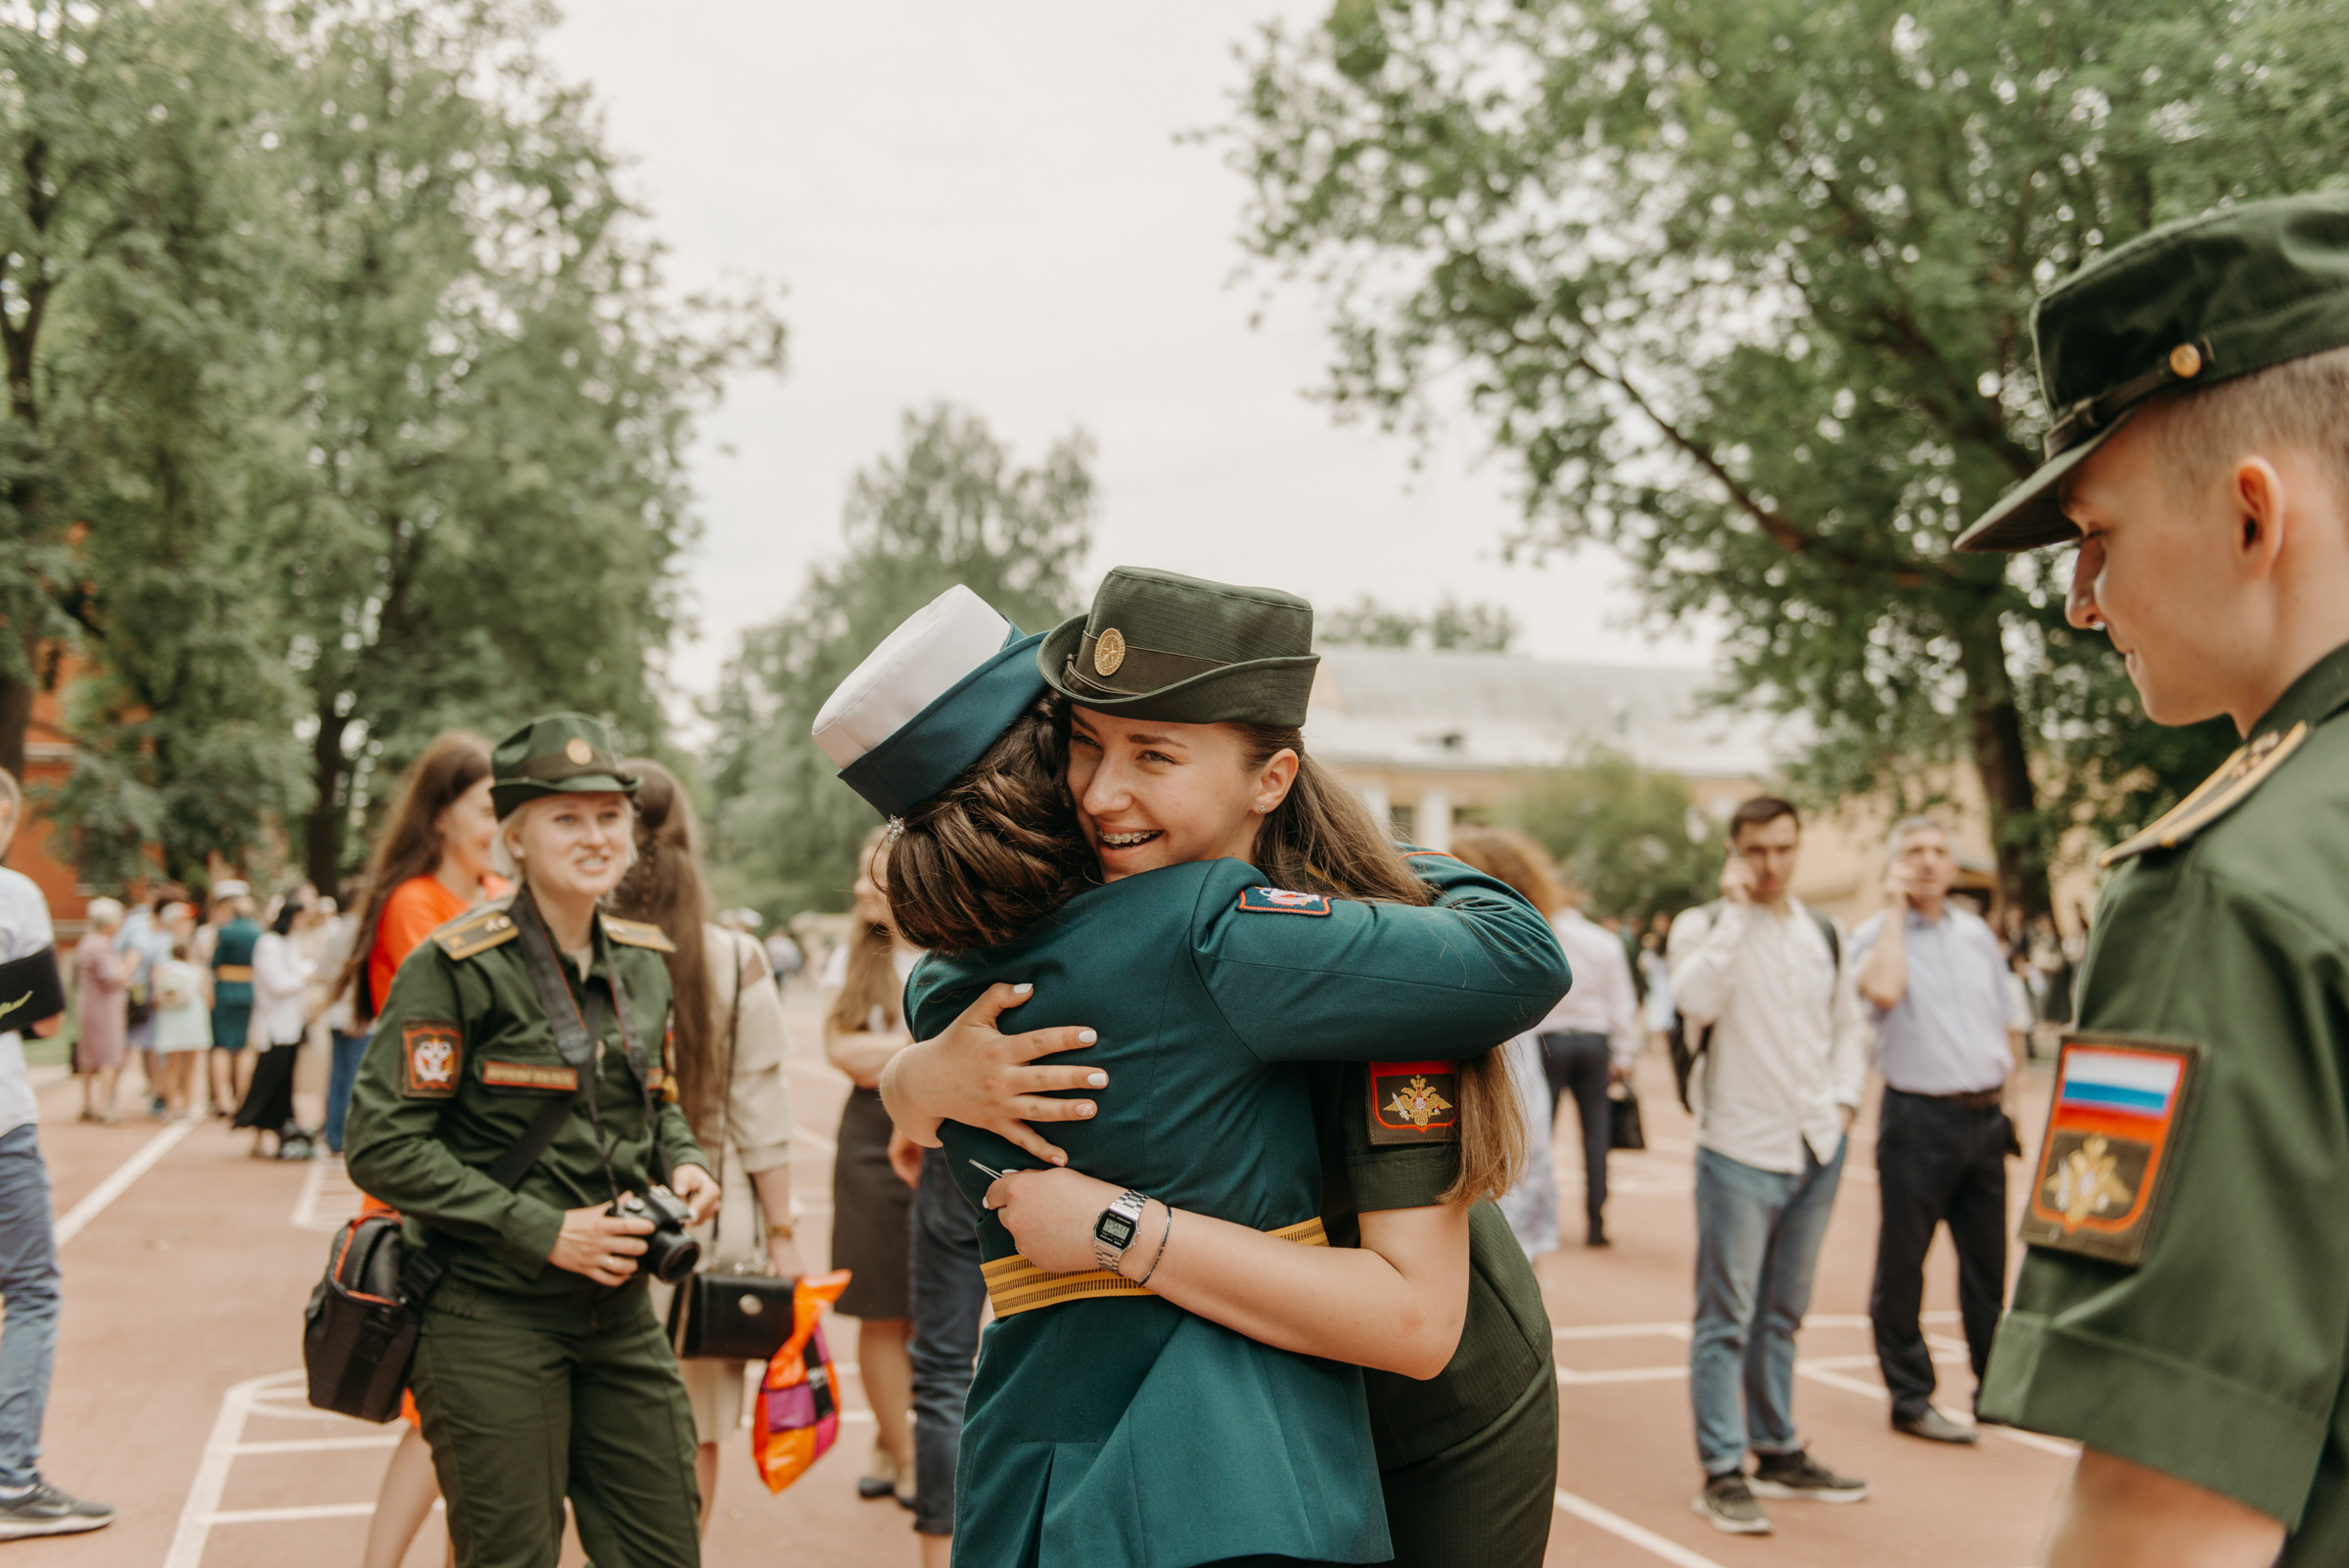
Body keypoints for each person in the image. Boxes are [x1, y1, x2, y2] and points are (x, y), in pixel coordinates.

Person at [849, 575, 1569, 1568]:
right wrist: (913, 1081)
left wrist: (1109, 1223)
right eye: (1081, 746)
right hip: (1265, 1400)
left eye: (1155, 755)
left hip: (1432, 1411)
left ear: (1270, 780)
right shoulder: (1074, 938)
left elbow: (1414, 1320)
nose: (1100, 795)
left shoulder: (1363, 955)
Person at [1954, 193, 2349, 1568]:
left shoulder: (2232, 890)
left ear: (2254, 513)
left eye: (2095, 533)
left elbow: (2164, 1520)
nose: (2081, 600)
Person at [345, 713, 717, 1568]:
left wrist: (687, 1162)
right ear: (513, 835)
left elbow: (653, 1100)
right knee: (510, 1554)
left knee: (665, 1546)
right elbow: (380, 1144)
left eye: (609, 816)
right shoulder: (454, 965)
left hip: (619, 1308)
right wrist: (542, 1229)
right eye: (566, 818)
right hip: (489, 1312)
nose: (595, 837)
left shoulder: (642, 962)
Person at [325, 731, 508, 1568]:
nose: (505, 820)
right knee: (442, 1413)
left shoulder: (496, 891)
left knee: (474, 1418)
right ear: (442, 815)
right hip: (433, 1183)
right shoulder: (419, 906)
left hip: (493, 1175)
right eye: (487, 805)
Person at [607, 759, 803, 1533]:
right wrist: (784, 1235)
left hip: (594, 1224)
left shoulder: (580, 948)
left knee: (584, 1427)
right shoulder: (735, 957)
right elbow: (762, 1110)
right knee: (697, 1430)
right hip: (708, 1233)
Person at [1667, 796, 1869, 1536]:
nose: (1772, 864)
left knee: (1782, 1314)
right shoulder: (1704, 926)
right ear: (1733, 850)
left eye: (1784, 849)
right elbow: (1693, 999)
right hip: (1739, 1149)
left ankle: (1777, 1447)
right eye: (1756, 850)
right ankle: (1722, 1469)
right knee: (1727, 1316)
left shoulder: (1823, 932)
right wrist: (1736, 914)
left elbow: (1848, 1027)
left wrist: (1844, 1106)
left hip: (1817, 1144)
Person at [1849, 817, 2027, 1447]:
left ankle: (1995, 1387)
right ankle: (1910, 1395)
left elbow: (2008, 1022)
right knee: (1904, 1262)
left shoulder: (1977, 934)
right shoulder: (1874, 937)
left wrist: (2014, 1104)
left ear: (1954, 867)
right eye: (1913, 852)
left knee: (1988, 1265)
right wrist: (1895, 912)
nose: (1927, 862)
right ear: (1895, 865)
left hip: (1984, 1117)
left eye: (1938, 852)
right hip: (1917, 1119)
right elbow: (1884, 991)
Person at [0, 767, 111, 1539]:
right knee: (31, 1290)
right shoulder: (16, 896)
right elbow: (43, 1023)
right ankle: (9, 1479)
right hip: (1, 1127)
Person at [1459, 825, 1640, 1248]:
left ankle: (1530, 1198)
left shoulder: (1533, 932)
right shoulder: (1600, 940)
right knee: (1596, 1133)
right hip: (1594, 1043)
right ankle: (1595, 1222)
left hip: (1548, 1040)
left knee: (1540, 1128)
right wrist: (1625, 1052)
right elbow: (1622, 1002)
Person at [820, 827, 920, 1508]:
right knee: (882, 1312)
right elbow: (838, 1049)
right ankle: (910, 1456)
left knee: (936, 1311)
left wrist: (883, 1053)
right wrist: (928, 1054)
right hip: (868, 1140)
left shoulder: (957, 947)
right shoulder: (854, 958)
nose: (858, 888)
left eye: (871, 875)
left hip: (941, 1138)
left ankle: (894, 1438)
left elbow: (863, 1054)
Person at [237, 896, 318, 1160]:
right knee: (267, 1079)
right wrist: (305, 977)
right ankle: (259, 1131)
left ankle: (280, 1129)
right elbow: (277, 983)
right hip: (274, 1025)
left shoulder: (289, 942)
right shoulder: (268, 944)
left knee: (284, 1082)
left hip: (291, 1023)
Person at [71, 899, 129, 1125]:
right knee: (109, 1056)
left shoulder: (87, 942)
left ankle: (88, 1104)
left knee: (88, 1057)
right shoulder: (101, 946)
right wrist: (131, 964)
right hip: (104, 1008)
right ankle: (103, 1106)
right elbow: (114, 978)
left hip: (89, 1005)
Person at [205, 883, 259, 1117]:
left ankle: (223, 1100)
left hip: (226, 989)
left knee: (222, 1046)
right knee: (243, 1047)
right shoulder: (258, 931)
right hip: (249, 989)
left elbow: (215, 962)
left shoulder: (225, 931)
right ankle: (243, 1097)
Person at [150, 935, 208, 1116]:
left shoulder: (163, 971)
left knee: (171, 1067)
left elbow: (157, 1000)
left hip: (170, 1023)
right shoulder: (197, 970)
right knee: (191, 1068)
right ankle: (188, 1106)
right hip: (192, 1023)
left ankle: (170, 1107)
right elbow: (208, 997)